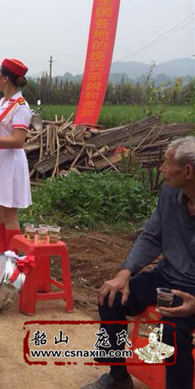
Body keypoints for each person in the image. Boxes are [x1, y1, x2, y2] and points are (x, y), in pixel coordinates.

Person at [81, 136, 195, 389]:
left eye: (167, 163)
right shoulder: (170, 193)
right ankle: (118, 377)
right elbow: (152, 236)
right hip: (166, 277)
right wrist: (124, 273)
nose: (161, 169)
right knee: (110, 297)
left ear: (187, 171)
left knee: (172, 332)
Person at [0, 59, 32, 254]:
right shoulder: (3, 102)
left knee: (9, 214)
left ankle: (12, 261)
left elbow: (18, 140)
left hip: (10, 162)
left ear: (5, 78)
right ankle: (2, 257)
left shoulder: (21, 106)